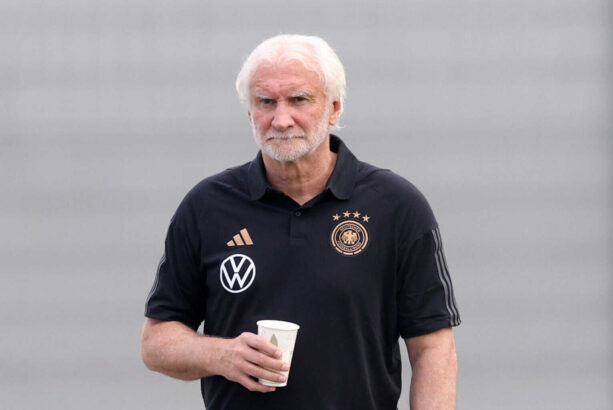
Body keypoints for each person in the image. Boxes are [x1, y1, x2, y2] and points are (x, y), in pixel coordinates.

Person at [141, 34, 461, 409]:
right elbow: (156, 342)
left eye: (299, 100)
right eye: (265, 102)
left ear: (334, 109)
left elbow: (433, 348)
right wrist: (221, 355)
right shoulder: (207, 207)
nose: (281, 119)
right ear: (250, 114)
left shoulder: (396, 207)